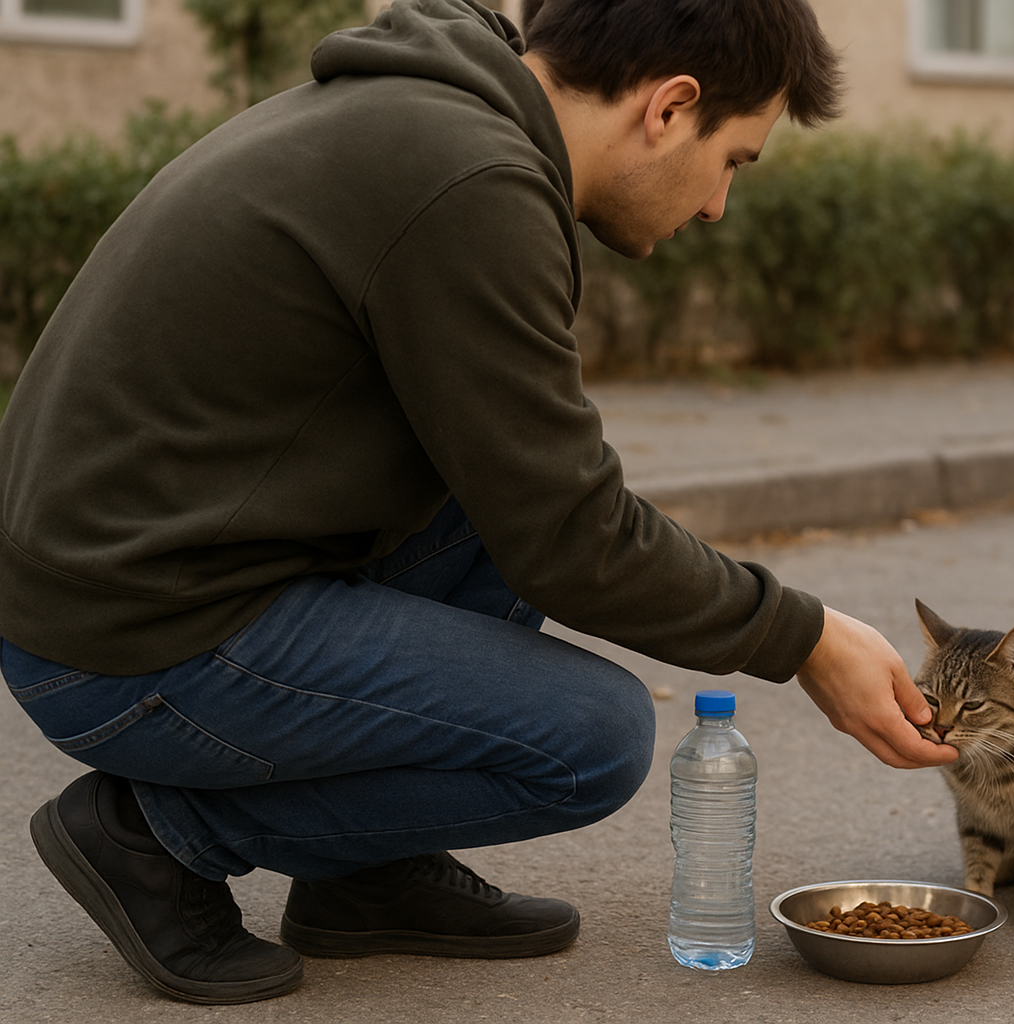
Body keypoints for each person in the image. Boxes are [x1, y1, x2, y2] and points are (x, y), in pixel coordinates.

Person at [0, 0, 957, 1006]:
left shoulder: (450, 118)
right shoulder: (469, 179)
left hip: (143, 565)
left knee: (508, 486)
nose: (719, 206)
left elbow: (549, 492)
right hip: (125, 639)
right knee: (591, 738)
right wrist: (801, 637)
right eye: (736, 160)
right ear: (671, 108)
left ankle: (364, 875)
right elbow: (574, 541)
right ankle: (153, 838)